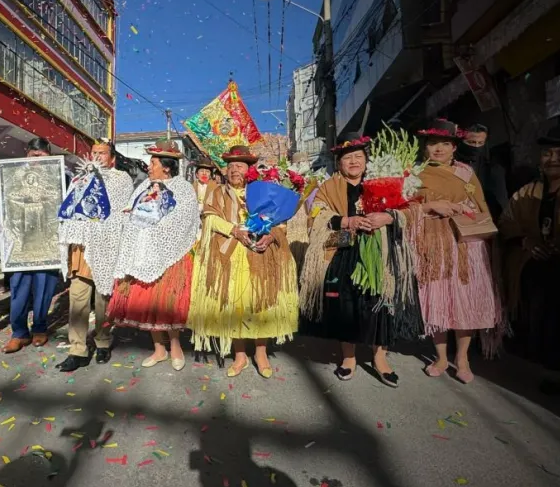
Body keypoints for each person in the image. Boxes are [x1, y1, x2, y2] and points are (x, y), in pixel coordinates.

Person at [299, 132, 422, 388]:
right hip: (345, 250)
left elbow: (411, 209)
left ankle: (380, 358)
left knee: (381, 304)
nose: (353, 162)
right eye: (347, 158)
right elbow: (317, 216)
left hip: (383, 253)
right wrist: (347, 221)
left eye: (358, 156)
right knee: (347, 306)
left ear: (367, 159)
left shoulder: (386, 179)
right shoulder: (330, 187)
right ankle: (349, 358)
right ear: (339, 162)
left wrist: (388, 217)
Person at [499, 126, 560, 394]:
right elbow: (506, 222)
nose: (552, 158)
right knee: (544, 322)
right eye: (546, 153)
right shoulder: (528, 191)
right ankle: (558, 374)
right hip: (535, 270)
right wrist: (526, 241)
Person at [188, 145, 299, 377]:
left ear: (249, 169)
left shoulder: (264, 190)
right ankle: (239, 356)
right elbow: (209, 219)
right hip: (230, 255)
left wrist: (271, 236)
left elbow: (281, 222)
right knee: (234, 305)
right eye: (230, 165)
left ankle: (260, 353)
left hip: (260, 255)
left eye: (240, 165)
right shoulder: (217, 192)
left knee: (261, 302)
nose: (234, 169)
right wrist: (234, 230)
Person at [411, 119, 503, 384]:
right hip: (433, 242)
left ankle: (462, 358)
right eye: (432, 144)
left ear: (454, 147)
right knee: (437, 298)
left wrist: (465, 209)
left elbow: (481, 205)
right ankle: (440, 357)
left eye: (444, 144)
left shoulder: (465, 172)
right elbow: (408, 209)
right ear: (425, 148)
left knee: (465, 301)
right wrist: (432, 207)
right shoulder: (415, 174)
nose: (438, 149)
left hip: (467, 244)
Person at [106, 140, 200, 370]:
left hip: (169, 254)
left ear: (166, 166)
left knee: (168, 303)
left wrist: (158, 228)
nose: (149, 166)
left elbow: (183, 219)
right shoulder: (143, 186)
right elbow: (132, 212)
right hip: (143, 252)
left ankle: (176, 347)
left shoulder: (183, 188)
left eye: (153, 162)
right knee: (148, 304)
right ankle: (159, 349)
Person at [54, 139, 135, 372]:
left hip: (105, 247)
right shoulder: (79, 178)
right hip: (79, 247)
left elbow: (120, 214)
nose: (97, 156)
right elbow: (68, 210)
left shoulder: (121, 179)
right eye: (94, 152)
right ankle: (77, 349)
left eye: (103, 153)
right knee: (77, 299)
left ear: (113, 159)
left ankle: (102, 342)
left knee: (102, 300)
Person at [2, 138, 63, 355]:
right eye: (33, 155)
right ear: (26, 154)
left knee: (44, 288)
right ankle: (19, 333)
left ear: (49, 155)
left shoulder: (60, 176)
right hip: (21, 242)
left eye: (42, 155)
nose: (37, 159)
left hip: (47, 242)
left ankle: (40, 327)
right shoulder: (11, 175)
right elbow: (3, 204)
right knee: (19, 288)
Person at [458, 123, 509, 220]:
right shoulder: (451, 165)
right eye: (471, 142)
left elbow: (501, 200)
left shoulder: (493, 169)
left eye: (480, 143)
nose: (476, 147)